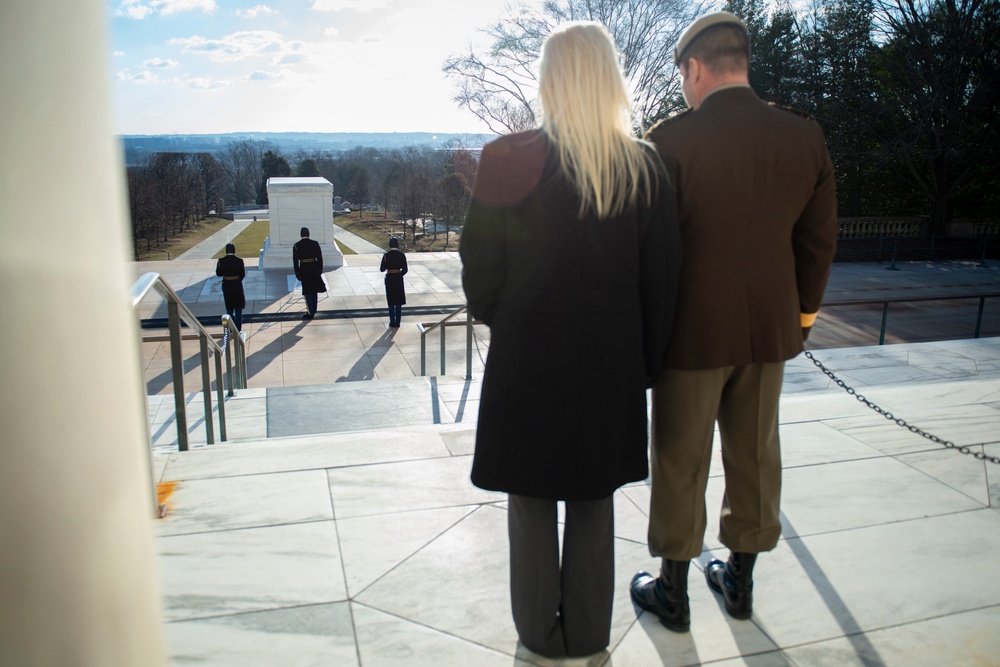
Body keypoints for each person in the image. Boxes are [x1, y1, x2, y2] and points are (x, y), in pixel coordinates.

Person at [460, 21, 681, 659]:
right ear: (610, 77)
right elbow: (661, 278)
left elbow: (481, 266)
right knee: (594, 501)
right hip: (609, 364)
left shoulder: (506, 155)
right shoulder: (644, 165)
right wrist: (644, 364)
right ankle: (586, 638)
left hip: (528, 356)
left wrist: (508, 318)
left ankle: (539, 639)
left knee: (529, 501)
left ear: (549, 79)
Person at [629, 11, 838, 632]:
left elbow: (646, 249)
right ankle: (740, 583)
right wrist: (798, 320)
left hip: (690, 337)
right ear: (741, 63)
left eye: (683, 76)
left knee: (679, 459)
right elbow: (818, 242)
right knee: (754, 455)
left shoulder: (670, 141)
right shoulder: (804, 137)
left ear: (695, 68)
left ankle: (673, 592)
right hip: (768, 332)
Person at [293, 226, 325, 319]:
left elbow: (295, 261)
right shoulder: (315, 243)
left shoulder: (296, 245)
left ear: (301, 234)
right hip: (314, 268)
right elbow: (320, 257)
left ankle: (310, 312)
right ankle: (313, 309)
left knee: (308, 291)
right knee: (314, 290)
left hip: (304, 269)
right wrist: (319, 269)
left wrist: (297, 273)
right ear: (308, 234)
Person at [215, 243, 245, 332]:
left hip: (227, 285)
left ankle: (231, 329)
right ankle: (238, 329)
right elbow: (242, 274)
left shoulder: (221, 261)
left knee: (229, 308)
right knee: (238, 307)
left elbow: (218, 274)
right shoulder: (239, 260)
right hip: (237, 285)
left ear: (226, 251)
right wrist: (236, 280)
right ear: (234, 250)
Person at [379, 237, 408, 327]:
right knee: (398, 301)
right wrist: (399, 274)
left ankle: (392, 321)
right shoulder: (401, 255)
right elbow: (405, 270)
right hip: (398, 279)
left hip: (390, 279)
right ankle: (398, 322)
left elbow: (382, 269)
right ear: (397, 245)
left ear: (389, 245)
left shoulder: (386, 256)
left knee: (391, 301)